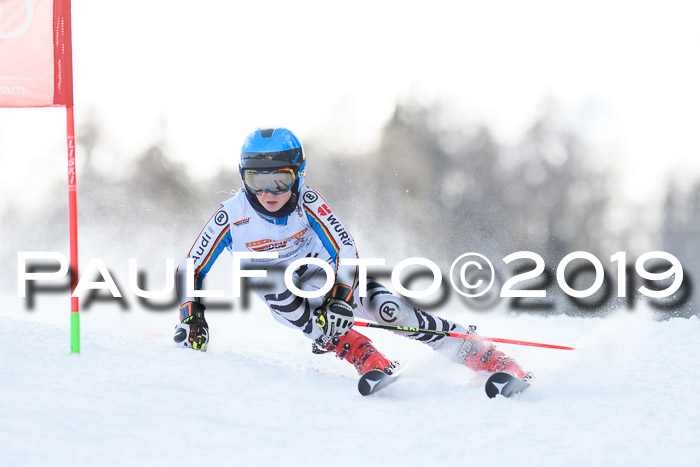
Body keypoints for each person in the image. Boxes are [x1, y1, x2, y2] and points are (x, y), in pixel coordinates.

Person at [174, 127, 529, 381]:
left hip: (323, 275)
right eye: (256, 181)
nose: (268, 193)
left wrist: (342, 299)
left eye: (279, 181)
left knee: (391, 311)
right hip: (279, 291)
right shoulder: (232, 215)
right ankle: (359, 350)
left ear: (297, 175)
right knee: (280, 294)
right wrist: (193, 315)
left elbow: (345, 248)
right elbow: (192, 265)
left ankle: (481, 354)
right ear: (243, 178)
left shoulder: (307, 202)